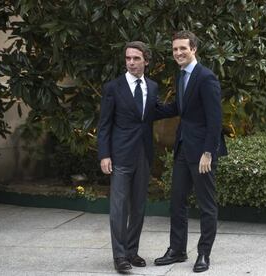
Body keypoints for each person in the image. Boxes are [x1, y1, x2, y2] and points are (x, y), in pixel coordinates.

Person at [154, 30, 227, 273]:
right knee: (177, 202)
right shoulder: (181, 76)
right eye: (175, 49)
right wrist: (149, 110)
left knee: (206, 205)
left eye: (182, 48)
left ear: (193, 49)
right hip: (183, 147)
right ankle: (177, 250)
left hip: (202, 151)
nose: (178, 53)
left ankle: (204, 254)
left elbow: (215, 119)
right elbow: (180, 107)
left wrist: (208, 152)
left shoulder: (206, 77)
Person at [97, 41, 161, 273]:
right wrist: (104, 154)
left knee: (138, 207)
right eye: (128, 58)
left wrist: (188, 104)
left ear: (146, 60)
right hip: (120, 155)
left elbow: (156, 112)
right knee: (119, 208)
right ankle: (120, 257)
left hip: (143, 155)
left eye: (136, 58)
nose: (131, 62)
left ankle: (132, 252)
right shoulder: (113, 87)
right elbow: (104, 124)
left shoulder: (152, 87)